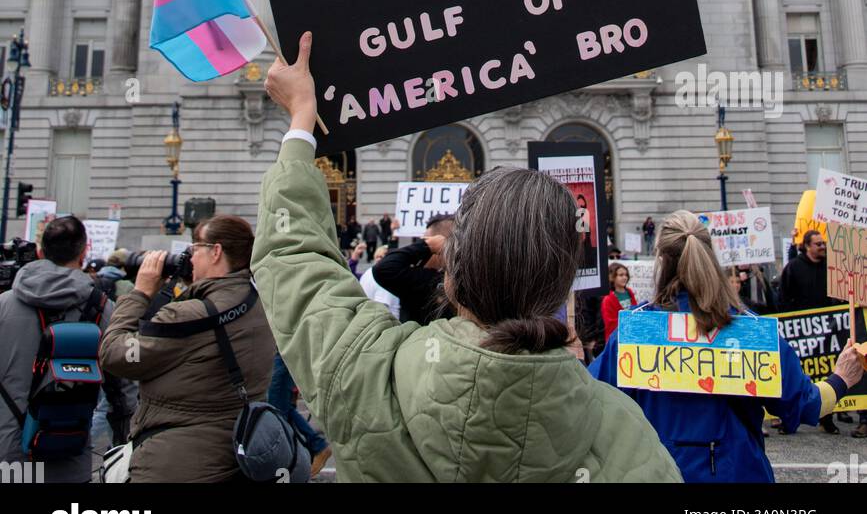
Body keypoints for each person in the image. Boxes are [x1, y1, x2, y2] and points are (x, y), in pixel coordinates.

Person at [251, 33, 682, 484]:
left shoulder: (361, 375)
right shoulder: (627, 434)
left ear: (451, 275)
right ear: (562, 285)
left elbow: (292, 254)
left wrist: (302, 117)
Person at [590, 211, 865, 481]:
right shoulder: (750, 332)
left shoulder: (636, 331)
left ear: (661, 260)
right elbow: (807, 405)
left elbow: (588, 403)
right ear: (710, 255)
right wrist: (841, 378)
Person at [100, 214, 275, 482]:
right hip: (234, 457)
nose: (190, 256)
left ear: (216, 252)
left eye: (195, 247)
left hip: (173, 463)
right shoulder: (258, 304)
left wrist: (140, 293)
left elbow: (114, 353)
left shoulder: (188, 316)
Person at [0, 215, 117, 483]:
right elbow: (122, 390)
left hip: (9, 459)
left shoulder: (4, 305)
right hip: (70, 457)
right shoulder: (101, 308)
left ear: (41, 252)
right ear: (84, 252)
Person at [778, 229, 841, 433]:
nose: (823, 247)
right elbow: (784, 298)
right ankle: (791, 418)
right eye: (818, 244)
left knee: (826, 367)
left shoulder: (829, 267)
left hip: (827, 329)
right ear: (806, 246)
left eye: (823, 243)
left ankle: (826, 417)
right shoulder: (794, 268)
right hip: (801, 330)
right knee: (802, 372)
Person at [371, 213, 456, 324]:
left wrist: (426, 246)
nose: (421, 242)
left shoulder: (430, 280)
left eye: (426, 239)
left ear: (438, 247)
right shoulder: (462, 277)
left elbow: (383, 268)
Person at [268, 351, 331, 477]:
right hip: (282, 355)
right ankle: (314, 447)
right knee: (284, 410)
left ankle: (316, 446)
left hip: (283, 355)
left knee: (277, 411)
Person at [360, 245, 401, 320]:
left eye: (381, 257)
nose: (379, 259)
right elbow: (382, 309)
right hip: (385, 325)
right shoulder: (385, 277)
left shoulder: (368, 272)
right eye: (377, 257)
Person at [601, 263, 637, 341]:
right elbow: (610, 323)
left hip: (631, 336)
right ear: (612, 277)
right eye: (621, 275)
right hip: (616, 338)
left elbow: (636, 311)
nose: (625, 277)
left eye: (626, 275)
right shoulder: (608, 298)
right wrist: (629, 321)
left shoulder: (629, 292)